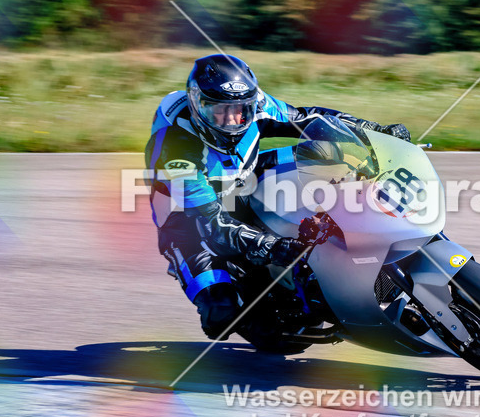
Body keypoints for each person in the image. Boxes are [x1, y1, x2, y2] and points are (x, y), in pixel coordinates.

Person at [145, 53, 410, 340]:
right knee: (220, 314)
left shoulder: (256, 104)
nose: (233, 120)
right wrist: (266, 244)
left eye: (241, 110)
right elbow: (212, 224)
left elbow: (309, 118)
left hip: (244, 176)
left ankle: (356, 240)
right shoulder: (176, 148)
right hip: (188, 220)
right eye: (218, 110)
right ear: (197, 105)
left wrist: (373, 130)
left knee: (325, 154)